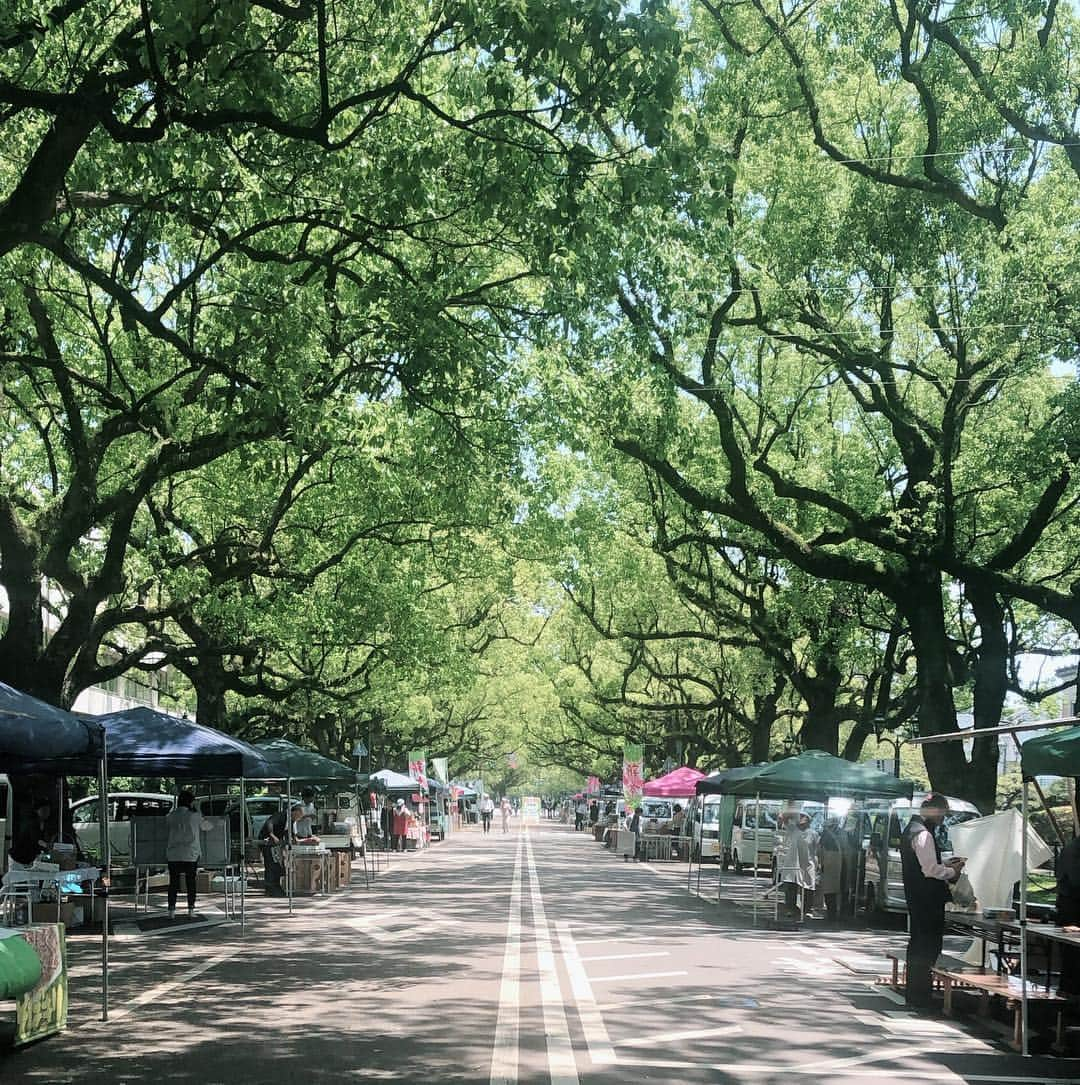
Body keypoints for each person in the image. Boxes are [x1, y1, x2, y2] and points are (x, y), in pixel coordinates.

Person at [900, 793, 965, 1009]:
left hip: (915, 897)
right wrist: (951, 870)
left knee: (918, 944)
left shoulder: (910, 830)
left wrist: (943, 862)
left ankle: (915, 993)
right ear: (934, 810)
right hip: (927, 898)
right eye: (942, 814)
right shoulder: (924, 835)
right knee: (928, 945)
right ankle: (921, 995)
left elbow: (923, 863)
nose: (942, 819)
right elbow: (930, 870)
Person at [164, 790, 213, 920]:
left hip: (173, 853)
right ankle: (191, 910)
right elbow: (207, 827)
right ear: (191, 802)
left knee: (173, 883)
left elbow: (167, 824)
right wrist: (198, 810)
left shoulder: (171, 816)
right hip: (190, 854)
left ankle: (171, 911)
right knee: (190, 882)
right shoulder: (194, 816)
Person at [259, 801, 306, 896]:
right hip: (267, 842)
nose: (299, 817)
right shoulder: (281, 815)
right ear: (294, 811)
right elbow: (270, 822)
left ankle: (275, 886)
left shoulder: (291, 820)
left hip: (277, 844)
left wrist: (293, 839)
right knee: (271, 864)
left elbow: (289, 831)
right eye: (299, 814)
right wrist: (272, 834)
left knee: (278, 864)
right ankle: (271, 887)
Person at [1054, 832, 1080, 994]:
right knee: (1073, 957)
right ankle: (1069, 997)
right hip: (1072, 909)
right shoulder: (1074, 851)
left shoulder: (1073, 848)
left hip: (1070, 906)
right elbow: (1076, 881)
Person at [776, 810, 813, 919]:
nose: (803, 822)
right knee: (790, 887)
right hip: (792, 864)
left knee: (806, 888)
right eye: (801, 818)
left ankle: (806, 910)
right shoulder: (793, 830)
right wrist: (794, 811)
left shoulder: (812, 833)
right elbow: (782, 817)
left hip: (805, 864)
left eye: (805, 820)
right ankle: (790, 909)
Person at [9, 797, 57, 868]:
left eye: (48, 810)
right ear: (37, 811)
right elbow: (36, 839)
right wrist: (48, 846)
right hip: (18, 857)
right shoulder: (32, 823)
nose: (46, 812)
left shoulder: (45, 824)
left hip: (29, 857)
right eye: (43, 810)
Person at [817, 817, 845, 922]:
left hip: (829, 866)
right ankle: (832, 913)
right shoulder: (835, 837)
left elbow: (819, 851)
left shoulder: (826, 836)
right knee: (832, 891)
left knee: (829, 891)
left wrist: (820, 864)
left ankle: (831, 914)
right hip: (834, 866)